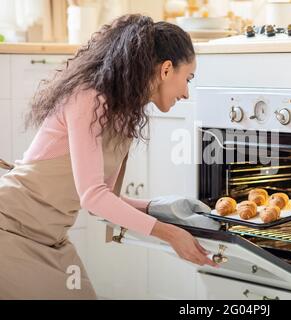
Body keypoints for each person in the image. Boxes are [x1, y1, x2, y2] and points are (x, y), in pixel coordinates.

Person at [0, 14, 218, 300]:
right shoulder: (89, 99)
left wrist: (161, 208)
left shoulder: (124, 115)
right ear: (166, 70)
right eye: (187, 79)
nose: (187, 93)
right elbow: (93, 197)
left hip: (50, 240)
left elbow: (100, 201)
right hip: (11, 232)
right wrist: (170, 234)